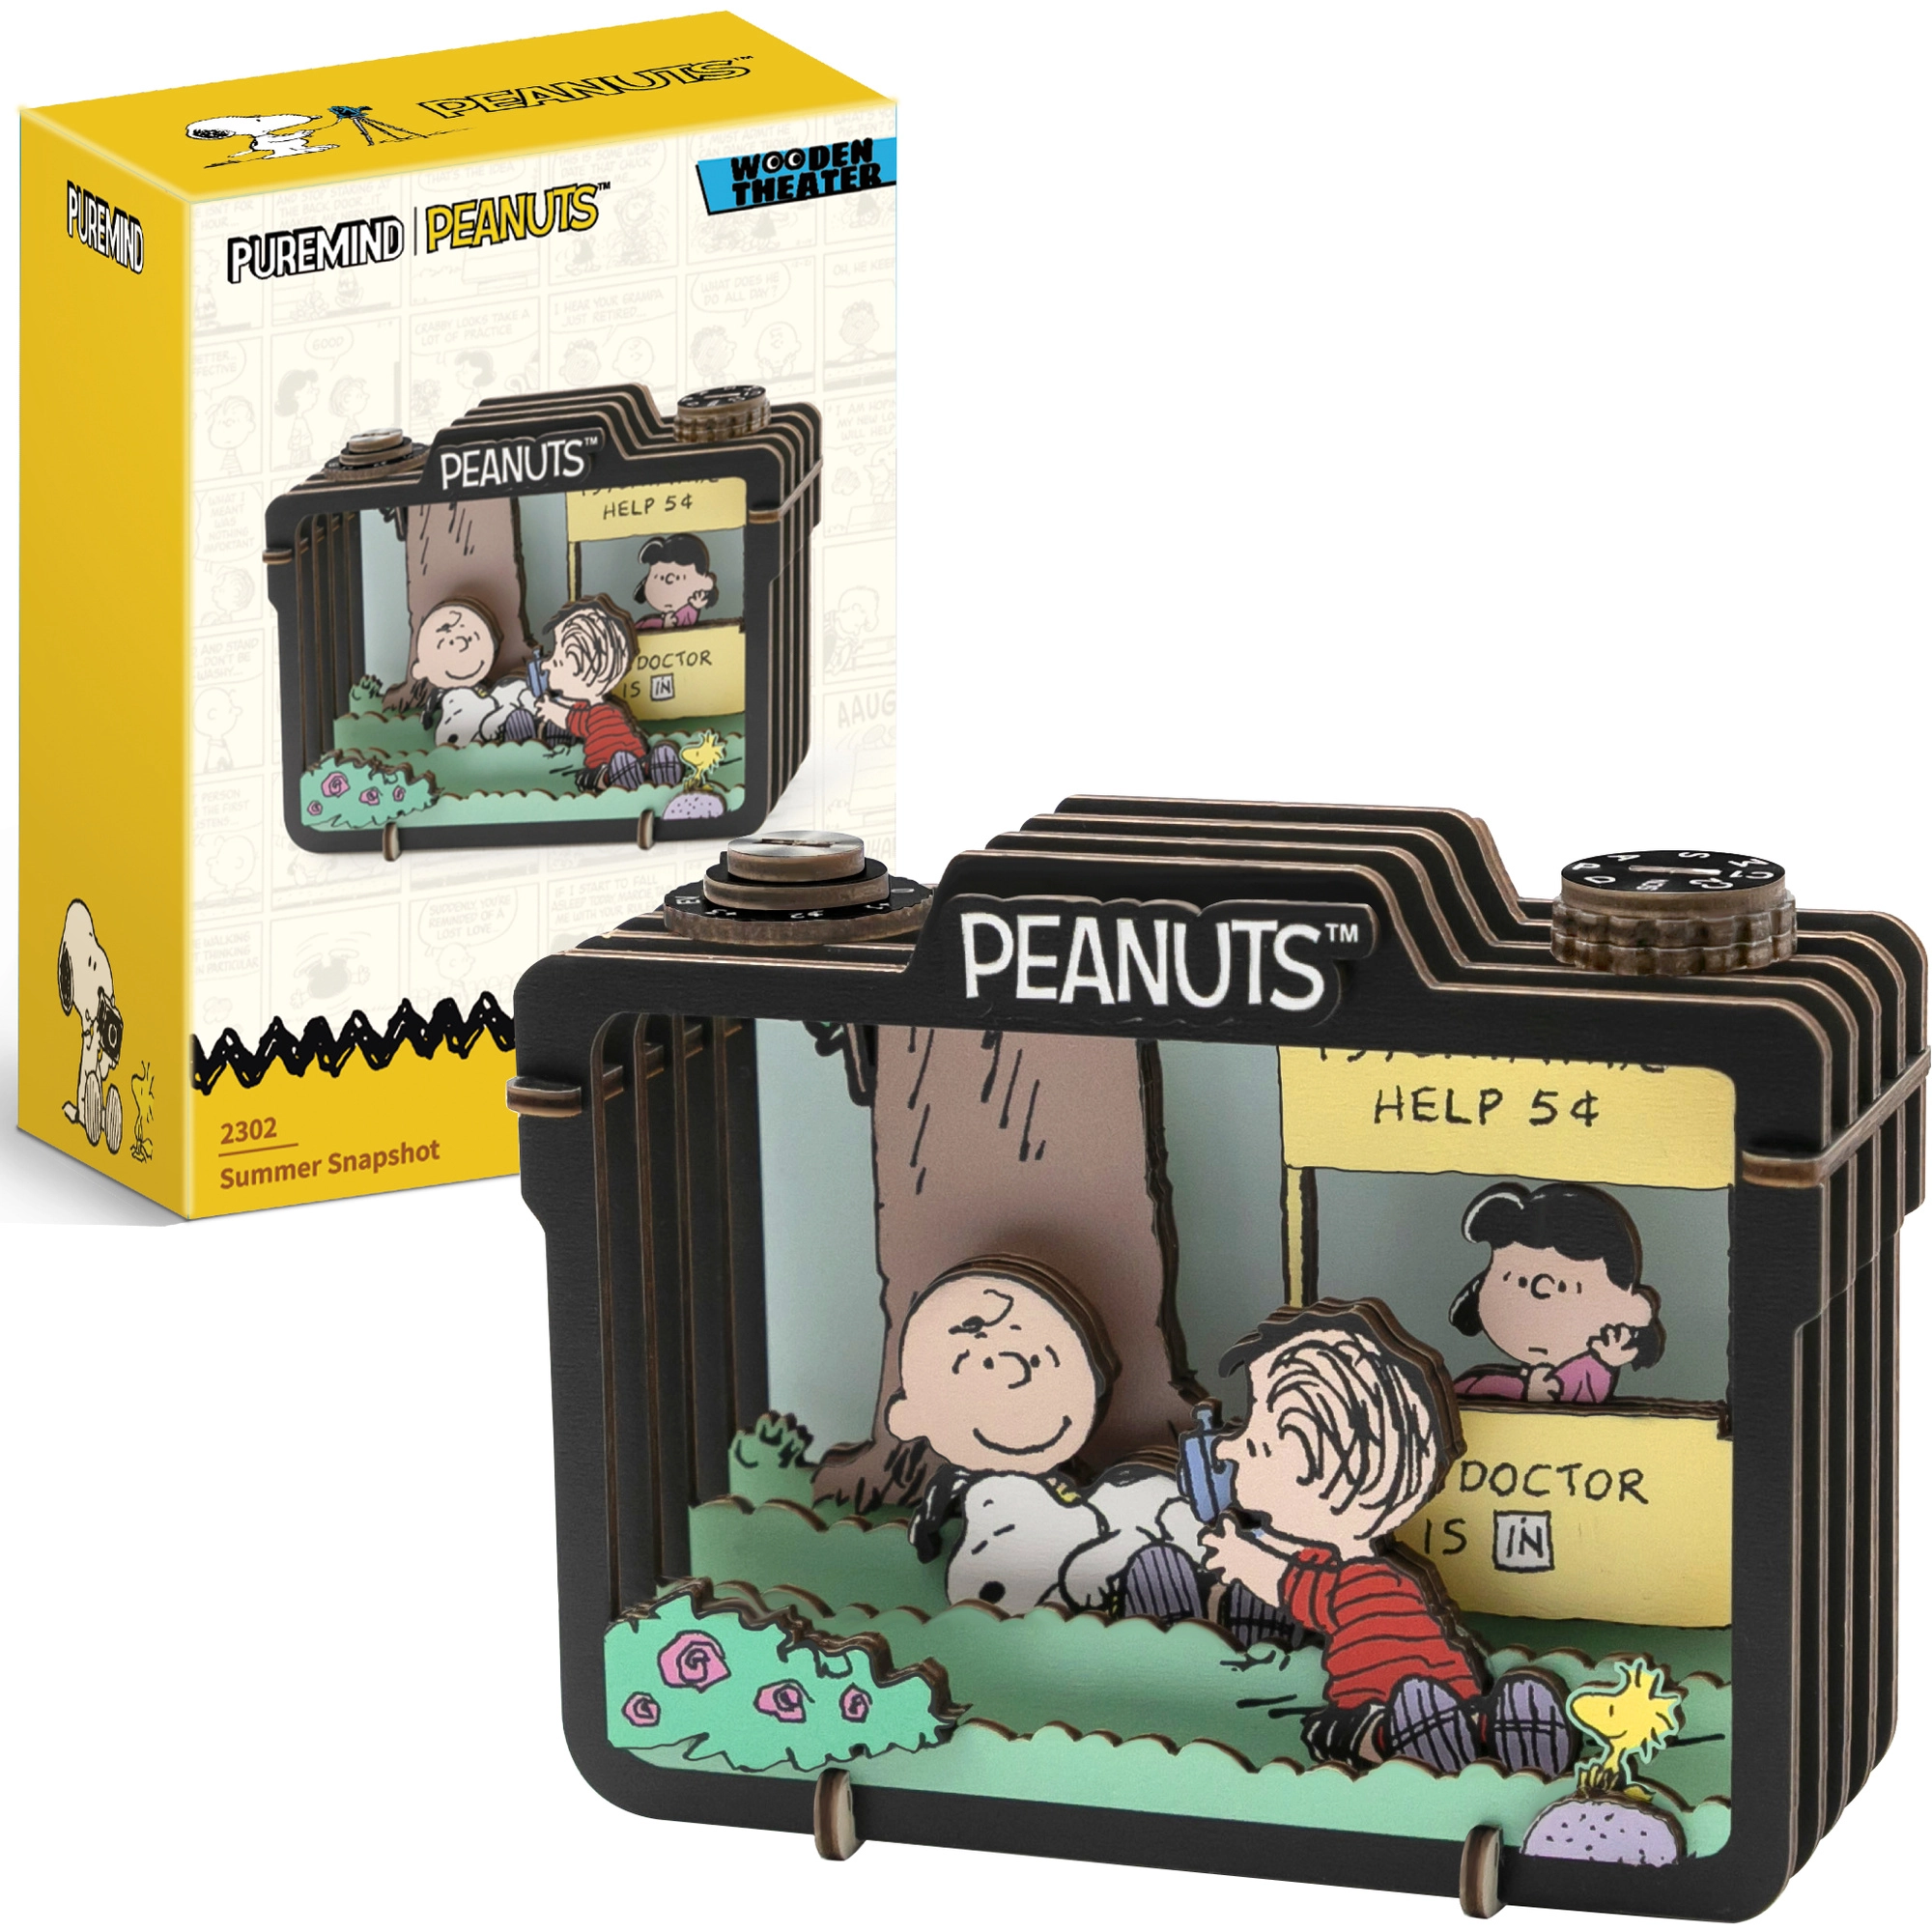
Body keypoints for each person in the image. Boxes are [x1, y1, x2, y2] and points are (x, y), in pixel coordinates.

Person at [1201, 1298, 1574, 1776]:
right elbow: (1291, 1554)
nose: (1228, 1448)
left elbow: (1287, 1584)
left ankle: (1416, 1738)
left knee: (1331, 1733)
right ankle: (1497, 1723)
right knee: (1451, 1709)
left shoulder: (1352, 1582)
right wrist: (1256, 1544)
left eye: (1255, 1445)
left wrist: (1239, 1557)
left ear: (1313, 1475)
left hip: (1374, 1703)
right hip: (1456, 1686)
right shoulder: (1375, 1569)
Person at [889, 1260, 1208, 1612]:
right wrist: (927, 1536)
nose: (1012, 1381)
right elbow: (932, 1524)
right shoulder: (976, 1492)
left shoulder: (1102, 1497)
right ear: (908, 1417)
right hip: (1009, 1583)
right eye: (973, 1383)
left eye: (1038, 1361)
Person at [1449, 1182, 1665, 1405]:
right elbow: (1458, 1399)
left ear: (1627, 1307)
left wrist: (1602, 1362)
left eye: (1567, 1288)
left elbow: (1584, 1395)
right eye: (1519, 1281)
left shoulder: (1584, 1377)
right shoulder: (1485, 1385)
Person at [533, 595, 675, 791]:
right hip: (636, 754)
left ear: (579, 672)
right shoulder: (613, 711)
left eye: (556, 662)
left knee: (587, 778)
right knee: (633, 762)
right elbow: (569, 709)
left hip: (604, 764)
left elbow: (569, 719)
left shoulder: (593, 714)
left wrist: (550, 710)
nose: (546, 665)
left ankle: (620, 775)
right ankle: (654, 766)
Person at [634, 532, 718, 630]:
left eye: (679, 578)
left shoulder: (684, 616)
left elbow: (685, 621)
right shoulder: (648, 624)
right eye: (659, 577)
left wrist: (693, 607)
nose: (667, 589)